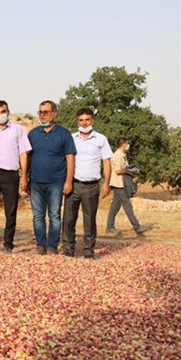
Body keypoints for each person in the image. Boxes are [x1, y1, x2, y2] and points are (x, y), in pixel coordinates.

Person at [0, 100, 31, 254]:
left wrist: (24, 177)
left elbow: (23, 153)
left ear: (8, 112)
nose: (0, 115)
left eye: (3, 111)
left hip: (10, 175)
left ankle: (8, 244)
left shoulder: (18, 130)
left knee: (10, 211)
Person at [62, 108, 113, 259]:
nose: (84, 123)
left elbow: (107, 161)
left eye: (87, 120)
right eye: (81, 120)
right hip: (73, 184)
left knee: (89, 220)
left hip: (92, 186)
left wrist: (106, 183)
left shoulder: (101, 139)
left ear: (93, 121)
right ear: (77, 121)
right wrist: (66, 182)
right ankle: (68, 251)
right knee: (69, 219)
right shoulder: (71, 138)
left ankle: (88, 252)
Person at [27, 100, 76, 255]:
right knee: (38, 215)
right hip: (36, 181)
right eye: (40, 112)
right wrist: (24, 178)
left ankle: (52, 246)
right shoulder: (33, 134)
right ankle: (40, 245)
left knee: (54, 215)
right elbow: (27, 158)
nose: (42, 115)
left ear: (54, 113)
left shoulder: (64, 134)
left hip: (56, 182)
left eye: (46, 112)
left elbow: (70, 158)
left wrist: (68, 181)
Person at [106, 137, 147, 235]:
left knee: (115, 207)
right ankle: (137, 227)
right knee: (127, 206)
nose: (128, 145)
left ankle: (110, 227)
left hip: (122, 183)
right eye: (127, 143)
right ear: (123, 144)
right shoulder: (117, 156)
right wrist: (129, 171)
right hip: (119, 184)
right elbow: (118, 171)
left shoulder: (123, 155)